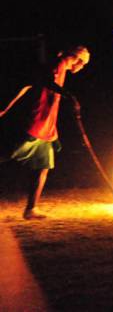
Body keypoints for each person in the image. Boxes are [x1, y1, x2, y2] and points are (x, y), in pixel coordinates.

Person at [0, 46, 90, 219]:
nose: (82, 68)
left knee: (43, 166)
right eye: (83, 64)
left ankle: (31, 209)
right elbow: (43, 81)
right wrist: (68, 95)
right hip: (37, 122)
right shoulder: (57, 64)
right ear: (77, 59)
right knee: (8, 153)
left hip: (47, 127)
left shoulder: (62, 68)